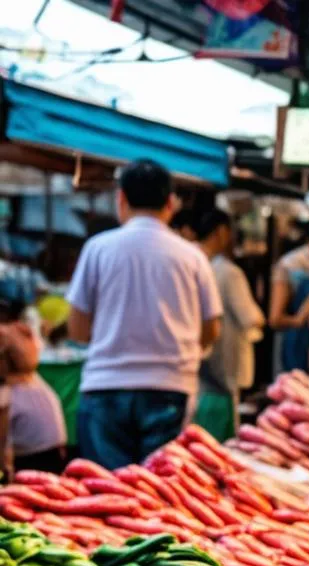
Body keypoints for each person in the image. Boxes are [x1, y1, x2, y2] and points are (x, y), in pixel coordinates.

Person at [66, 159, 222, 469]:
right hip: (170, 389)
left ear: (120, 199)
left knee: (106, 498)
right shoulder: (193, 257)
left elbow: (77, 330)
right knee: (159, 500)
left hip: (104, 389)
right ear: (170, 203)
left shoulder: (97, 249)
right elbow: (211, 330)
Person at [194, 209, 265, 441]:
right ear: (222, 232)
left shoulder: (197, 264)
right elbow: (251, 317)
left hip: (199, 368)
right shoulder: (228, 272)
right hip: (225, 367)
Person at [0, 313, 67, 475]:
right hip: (58, 458)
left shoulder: (6, 395)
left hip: (29, 466)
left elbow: (3, 453)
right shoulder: (37, 382)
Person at [268, 228, 309, 375]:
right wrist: (299, 319)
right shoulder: (290, 264)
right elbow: (275, 319)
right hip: (292, 341)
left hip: (308, 344)